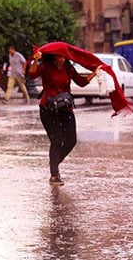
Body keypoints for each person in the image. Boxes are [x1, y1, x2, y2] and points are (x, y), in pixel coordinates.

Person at [27, 50, 101, 185]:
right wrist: (36, 60)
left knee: (71, 140)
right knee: (56, 140)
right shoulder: (46, 66)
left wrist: (95, 72)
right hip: (48, 109)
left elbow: (81, 82)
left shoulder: (68, 68)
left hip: (65, 109)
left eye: (63, 57)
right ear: (54, 57)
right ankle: (54, 174)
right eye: (58, 56)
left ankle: (54, 163)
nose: (61, 59)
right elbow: (32, 74)